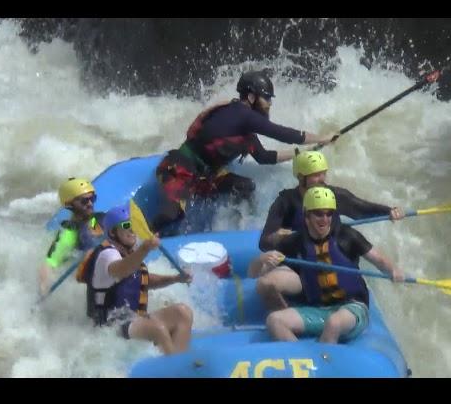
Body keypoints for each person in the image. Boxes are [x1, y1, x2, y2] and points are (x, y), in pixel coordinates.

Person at [152, 69, 338, 235]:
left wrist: (302, 153)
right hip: (178, 170)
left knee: (244, 187)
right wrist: (323, 138)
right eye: (266, 98)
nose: (269, 104)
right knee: (172, 215)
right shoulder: (241, 114)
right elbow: (283, 133)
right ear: (251, 97)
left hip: (203, 178)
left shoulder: (243, 127)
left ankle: (241, 231)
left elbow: (265, 157)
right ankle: (138, 244)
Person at [248, 186, 403, 343]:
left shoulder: (347, 235)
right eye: (319, 214)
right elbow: (253, 274)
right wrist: (262, 260)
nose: (325, 219)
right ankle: (305, 359)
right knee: (274, 320)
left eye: (329, 213)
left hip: (352, 308)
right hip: (319, 309)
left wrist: (393, 271)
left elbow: (379, 259)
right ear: (306, 216)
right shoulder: (294, 242)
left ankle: (327, 358)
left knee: (334, 323)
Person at [76, 204, 193, 355]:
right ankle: (173, 370)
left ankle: (178, 360)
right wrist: (145, 248)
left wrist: (175, 278)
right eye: (126, 225)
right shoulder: (107, 255)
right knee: (158, 329)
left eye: (133, 225)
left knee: (182, 312)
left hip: (131, 318)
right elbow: (121, 271)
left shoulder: (128, 252)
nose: (132, 230)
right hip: (109, 324)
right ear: (112, 232)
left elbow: (141, 279)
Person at [259, 150, 405, 251]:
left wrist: (389, 211)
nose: (322, 179)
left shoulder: (335, 195)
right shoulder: (285, 202)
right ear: (301, 177)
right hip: (301, 257)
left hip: (330, 254)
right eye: (315, 175)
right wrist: (277, 237)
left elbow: (361, 209)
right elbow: (264, 243)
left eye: (323, 174)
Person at [38, 178, 104, 296]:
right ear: (69, 204)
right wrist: (43, 288)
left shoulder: (94, 220)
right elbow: (49, 264)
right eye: (84, 201)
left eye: (92, 199)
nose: (90, 204)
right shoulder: (69, 233)